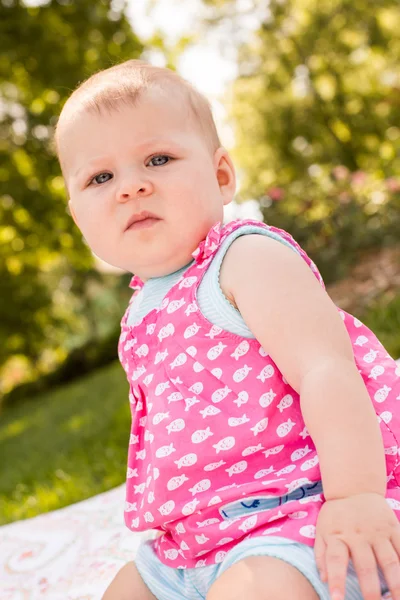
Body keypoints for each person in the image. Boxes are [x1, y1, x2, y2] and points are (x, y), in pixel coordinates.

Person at [54, 59, 400, 600]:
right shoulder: (141, 313)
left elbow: (327, 370)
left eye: (158, 159)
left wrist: (355, 498)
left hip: (296, 512)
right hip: (189, 546)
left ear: (220, 176)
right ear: (78, 216)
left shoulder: (243, 258)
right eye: (101, 177)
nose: (132, 187)